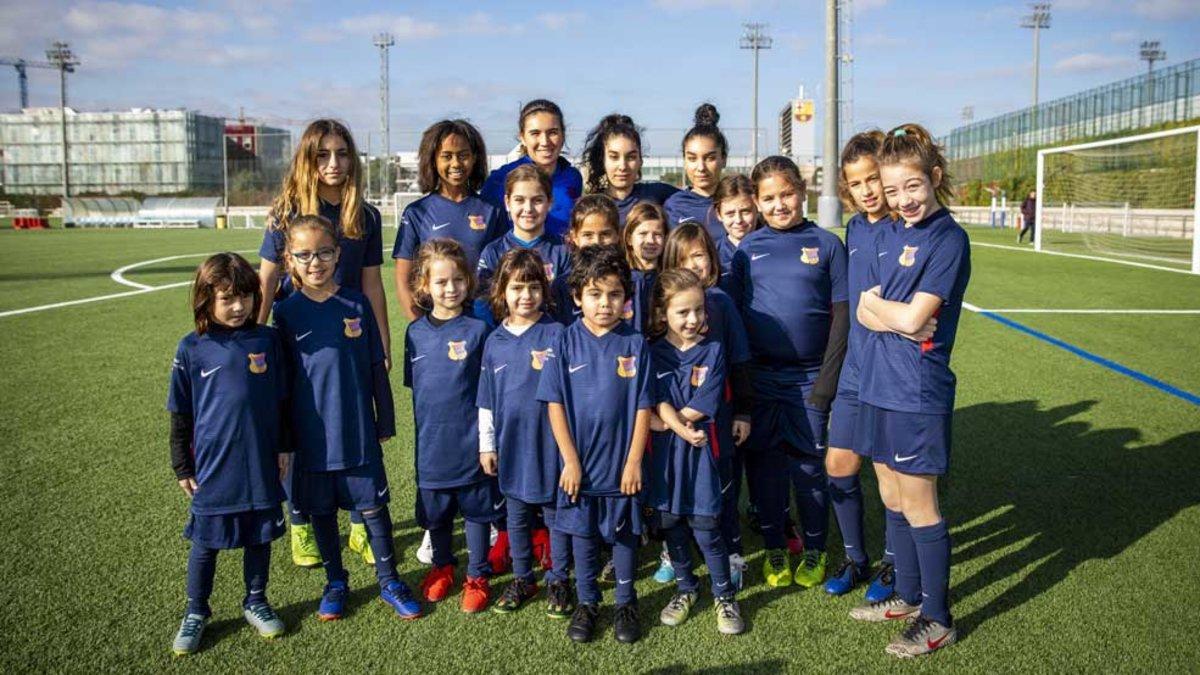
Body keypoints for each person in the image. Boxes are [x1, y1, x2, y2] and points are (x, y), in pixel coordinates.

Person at [850, 124, 971, 658]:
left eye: (913, 187)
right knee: (890, 494)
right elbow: (862, 306)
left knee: (921, 504)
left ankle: (938, 616)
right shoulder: (890, 232)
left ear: (934, 178)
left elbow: (920, 317)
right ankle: (904, 594)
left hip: (916, 389)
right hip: (877, 381)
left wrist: (891, 314)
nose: (903, 200)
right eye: (893, 190)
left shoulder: (948, 239)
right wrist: (890, 315)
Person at [273, 215, 421, 622]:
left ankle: (390, 579)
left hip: (356, 430)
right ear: (289, 260)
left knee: (373, 508)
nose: (315, 261)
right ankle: (335, 581)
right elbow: (282, 386)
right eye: (304, 255)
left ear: (338, 254)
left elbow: (376, 364)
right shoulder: (285, 313)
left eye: (324, 252)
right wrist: (285, 439)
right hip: (310, 437)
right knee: (321, 511)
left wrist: (385, 419)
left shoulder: (355, 302)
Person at [256, 119, 388, 568]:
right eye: (323, 154)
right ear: (307, 160)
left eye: (343, 153)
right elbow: (268, 279)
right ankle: (301, 524)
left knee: (351, 428)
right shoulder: (285, 213)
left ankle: (358, 524)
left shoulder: (364, 216)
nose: (334, 163)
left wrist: (382, 342)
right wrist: (253, 343)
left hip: (349, 341)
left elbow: (372, 285)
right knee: (301, 429)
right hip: (299, 340)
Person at [730, 156, 849, 591]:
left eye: (786, 194)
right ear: (757, 203)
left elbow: (841, 318)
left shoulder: (827, 244)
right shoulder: (748, 248)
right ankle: (776, 544)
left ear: (802, 191)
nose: (779, 205)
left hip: (809, 379)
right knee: (764, 467)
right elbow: (737, 320)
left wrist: (824, 389)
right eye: (769, 198)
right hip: (761, 379)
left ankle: (816, 548)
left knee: (808, 469)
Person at [168, 253, 289, 655]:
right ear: (206, 300)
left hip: (260, 460)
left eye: (246, 297)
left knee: (259, 535)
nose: (238, 307)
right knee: (206, 541)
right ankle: (196, 610)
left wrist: (285, 446)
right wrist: (182, 464)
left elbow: (283, 401)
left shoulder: (267, 341)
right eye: (227, 299)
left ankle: (256, 599)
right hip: (213, 466)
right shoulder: (191, 349)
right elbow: (180, 413)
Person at [536, 244, 652, 644]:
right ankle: (587, 602)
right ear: (577, 296)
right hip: (579, 469)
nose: (605, 303)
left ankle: (624, 600)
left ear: (626, 297)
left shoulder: (635, 344)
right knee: (582, 536)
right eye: (595, 294)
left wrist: (634, 460)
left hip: (620, 467)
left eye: (615, 294)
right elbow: (554, 406)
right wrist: (570, 460)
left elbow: (642, 407)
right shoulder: (564, 342)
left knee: (623, 536)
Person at [646, 268, 746, 635]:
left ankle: (724, 597)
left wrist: (669, 423)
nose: (693, 319)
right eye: (683, 312)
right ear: (663, 314)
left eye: (699, 310)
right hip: (666, 456)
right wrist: (673, 428)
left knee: (706, 527)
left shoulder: (714, 350)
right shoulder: (653, 353)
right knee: (671, 522)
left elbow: (704, 402)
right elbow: (656, 400)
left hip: (701, 455)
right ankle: (686, 588)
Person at [404, 238, 500, 613]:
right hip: (432, 443)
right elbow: (420, 391)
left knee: (476, 511)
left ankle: (477, 574)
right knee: (437, 511)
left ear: (468, 282)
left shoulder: (479, 331)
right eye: (441, 282)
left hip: (471, 441)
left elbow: (487, 393)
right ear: (424, 286)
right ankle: (443, 566)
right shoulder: (415, 333)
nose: (450, 288)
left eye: (458, 280)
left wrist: (487, 442)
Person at [823, 130, 899, 600]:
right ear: (846, 190)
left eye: (873, 178)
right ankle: (856, 556)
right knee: (838, 465)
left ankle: (893, 563)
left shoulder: (904, 226)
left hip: (891, 369)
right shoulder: (855, 228)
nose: (868, 190)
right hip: (855, 367)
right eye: (857, 183)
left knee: (891, 476)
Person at [660, 223, 753, 589]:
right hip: (671, 424)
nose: (693, 265)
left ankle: (731, 554)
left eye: (698, 256)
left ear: (711, 259)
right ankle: (674, 552)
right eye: (683, 259)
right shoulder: (665, 307)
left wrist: (743, 411)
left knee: (722, 486)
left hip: (717, 416)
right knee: (674, 486)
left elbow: (741, 360)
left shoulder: (721, 302)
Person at [477, 249, 570, 614]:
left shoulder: (558, 333)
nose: (526, 295)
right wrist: (487, 445)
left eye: (533, 287)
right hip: (511, 446)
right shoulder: (493, 341)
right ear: (502, 291)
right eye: (517, 287)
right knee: (515, 517)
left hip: (552, 446)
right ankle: (522, 578)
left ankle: (559, 579)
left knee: (555, 514)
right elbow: (486, 399)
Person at [393, 119, 506, 321]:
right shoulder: (416, 212)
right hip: (435, 323)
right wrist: (421, 327)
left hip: (482, 324)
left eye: (463, 155)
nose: (456, 163)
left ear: (475, 158)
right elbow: (403, 281)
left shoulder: (493, 210)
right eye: (447, 156)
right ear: (433, 160)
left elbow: (505, 272)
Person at [475, 164, 571, 326]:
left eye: (537, 200)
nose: (528, 209)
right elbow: (482, 306)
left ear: (550, 202)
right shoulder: (493, 252)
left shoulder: (563, 250)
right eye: (519, 200)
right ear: (507, 202)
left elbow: (569, 306)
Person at [481, 99, 583, 237]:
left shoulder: (572, 177)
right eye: (535, 133)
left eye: (552, 132)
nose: (544, 142)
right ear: (522, 137)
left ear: (563, 135)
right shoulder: (499, 180)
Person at [580, 113, 678, 224]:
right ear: (602, 160)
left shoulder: (660, 194)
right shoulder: (592, 207)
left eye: (631, 157)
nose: (622, 166)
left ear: (640, 160)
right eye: (614, 157)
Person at [548, 194, 621, 325]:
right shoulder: (562, 286)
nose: (597, 242)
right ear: (574, 237)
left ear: (617, 235)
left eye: (605, 234)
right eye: (588, 235)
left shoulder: (629, 281)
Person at [664, 104, 728, 243]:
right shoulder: (674, 206)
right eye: (692, 158)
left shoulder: (737, 201)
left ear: (723, 159)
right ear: (684, 161)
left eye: (710, 158)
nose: (701, 167)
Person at [621, 202, 668, 333]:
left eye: (657, 234)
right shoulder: (619, 279)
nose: (650, 240)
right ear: (629, 239)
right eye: (643, 233)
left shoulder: (670, 280)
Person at [712, 174, 758, 296]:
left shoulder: (770, 247)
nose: (738, 220)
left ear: (757, 207)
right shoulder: (713, 255)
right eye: (730, 213)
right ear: (718, 214)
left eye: (745, 211)